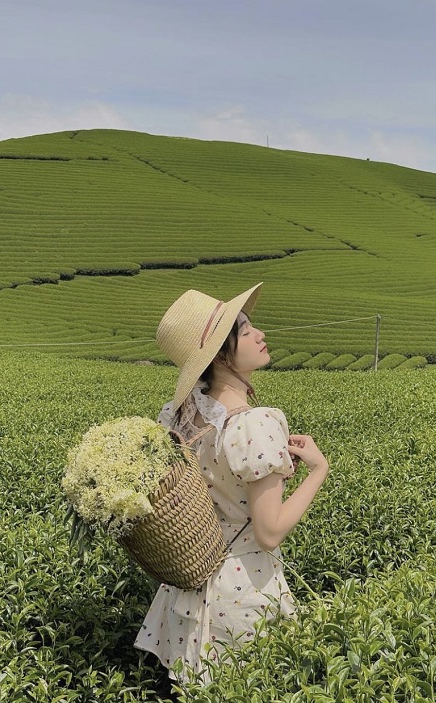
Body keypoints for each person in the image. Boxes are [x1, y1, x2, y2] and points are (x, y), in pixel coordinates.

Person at [134, 282, 329, 683]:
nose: (260, 335)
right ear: (220, 356)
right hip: (244, 592)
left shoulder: (176, 419)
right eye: (245, 331)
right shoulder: (255, 423)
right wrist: (318, 471)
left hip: (191, 582)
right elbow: (269, 531)